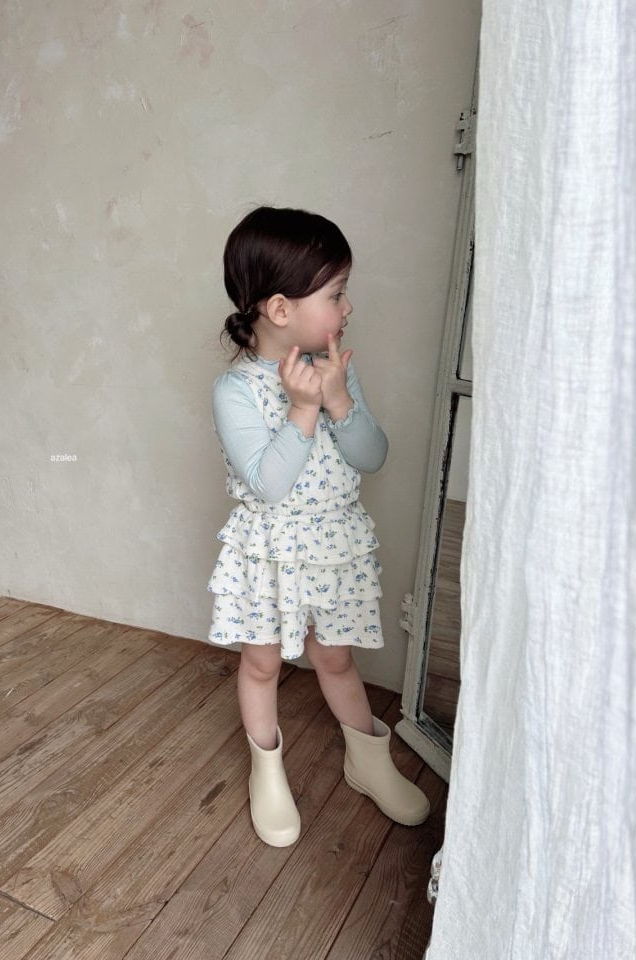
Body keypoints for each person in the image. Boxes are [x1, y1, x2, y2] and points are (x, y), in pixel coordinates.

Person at [207, 206, 430, 847]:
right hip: (270, 551)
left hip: (333, 544)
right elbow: (268, 484)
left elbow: (371, 456)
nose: (348, 307)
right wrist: (303, 410)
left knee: (335, 656)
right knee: (261, 662)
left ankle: (368, 760)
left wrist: (337, 400)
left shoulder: (335, 367)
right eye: (336, 294)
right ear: (281, 309)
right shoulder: (235, 390)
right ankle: (267, 771)